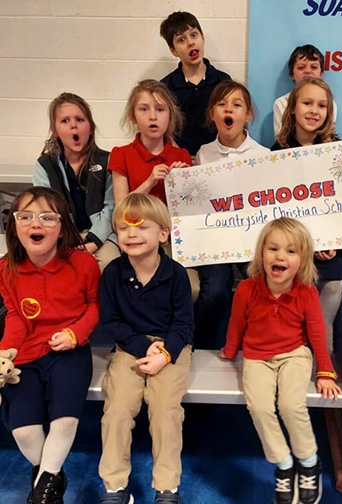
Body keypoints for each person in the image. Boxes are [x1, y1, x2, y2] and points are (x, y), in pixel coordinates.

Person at [219, 217, 341, 504]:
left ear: (303, 259)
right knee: (260, 406)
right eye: (273, 249)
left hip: (294, 354)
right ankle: (284, 464)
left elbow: (317, 332)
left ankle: (309, 461)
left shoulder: (307, 291)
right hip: (257, 357)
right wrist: (229, 350)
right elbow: (236, 323)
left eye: (290, 251)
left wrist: (325, 370)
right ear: (262, 253)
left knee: (290, 404)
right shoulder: (248, 289)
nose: (280, 256)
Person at [0, 186, 100, 504]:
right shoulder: (6, 268)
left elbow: (95, 306)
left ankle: (41, 496)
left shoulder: (83, 264)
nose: (36, 224)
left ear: (61, 226)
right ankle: (51, 477)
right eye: (26, 216)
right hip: (25, 355)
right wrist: (7, 352)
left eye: (46, 217)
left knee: (64, 419)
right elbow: (15, 314)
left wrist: (75, 333)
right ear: (14, 225)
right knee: (23, 430)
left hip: (69, 352)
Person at [98, 193, 194, 504]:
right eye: (123, 228)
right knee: (116, 410)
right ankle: (114, 487)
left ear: (163, 234)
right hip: (130, 345)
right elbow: (111, 321)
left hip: (171, 347)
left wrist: (164, 353)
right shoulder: (113, 273)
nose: (131, 234)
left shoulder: (176, 274)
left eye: (140, 227)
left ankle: (166, 487)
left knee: (166, 410)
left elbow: (184, 325)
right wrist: (143, 348)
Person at [272, 77, 342, 356]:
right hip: (292, 255)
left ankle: (324, 379)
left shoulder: (340, 154)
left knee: (323, 323)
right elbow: (275, 215)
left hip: (330, 255)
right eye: (307, 103)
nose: (314, 110)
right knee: (292, 324)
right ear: (292, 108)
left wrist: (335, 241)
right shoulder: (276, 154)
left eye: (322, 105)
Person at [193, 80, 269, 349]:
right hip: (215, 242)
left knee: (261, 285)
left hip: (252, 242)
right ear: (212, 113)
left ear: (248, 115)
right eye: (222, 104)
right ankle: (201, 346)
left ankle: (259, 343)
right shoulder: (203, 155)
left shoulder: (264, 156)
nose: (229, 110)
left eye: (237, 105)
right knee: (214, 291)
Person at [33, 92, 119, 271]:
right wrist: (69, 242)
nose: (73, 126)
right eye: (65, 121)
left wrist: (93, 242)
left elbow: (112, 207)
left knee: (108, 266)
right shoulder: (45, 166)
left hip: (102, 235)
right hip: (62, 236)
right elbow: (46, 211)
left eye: (80, 119)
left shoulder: (107, 160)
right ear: (55, 131)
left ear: (91, 127)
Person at [109, 79, 192, 205]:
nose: (153, 116)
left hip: (172, 224)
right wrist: (149, 183)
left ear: (170, 115)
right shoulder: (121, 155)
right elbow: (120, 207)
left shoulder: (181, 156)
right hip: (136, 224)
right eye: (144, 109)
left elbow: (191, 205)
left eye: (160, 109)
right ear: (133, 116)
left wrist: (184, 182)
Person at [160, 11, 231, 156]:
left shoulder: (222, 81)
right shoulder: (166, 87)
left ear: (202, 37)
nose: (190, 42)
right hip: (181, 160)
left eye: (193, 35)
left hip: (218, 157)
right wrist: (182, 157)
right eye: (181, 40)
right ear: (173, 50)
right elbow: (165, 131)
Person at [273, 44, 337, 137]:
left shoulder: (330, 103)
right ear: (292, 74)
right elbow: (281, 138)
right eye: (301, 67)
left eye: (314, 67)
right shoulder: (281, 103)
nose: (307, 71)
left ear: (321, 74)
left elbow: (327, 135)